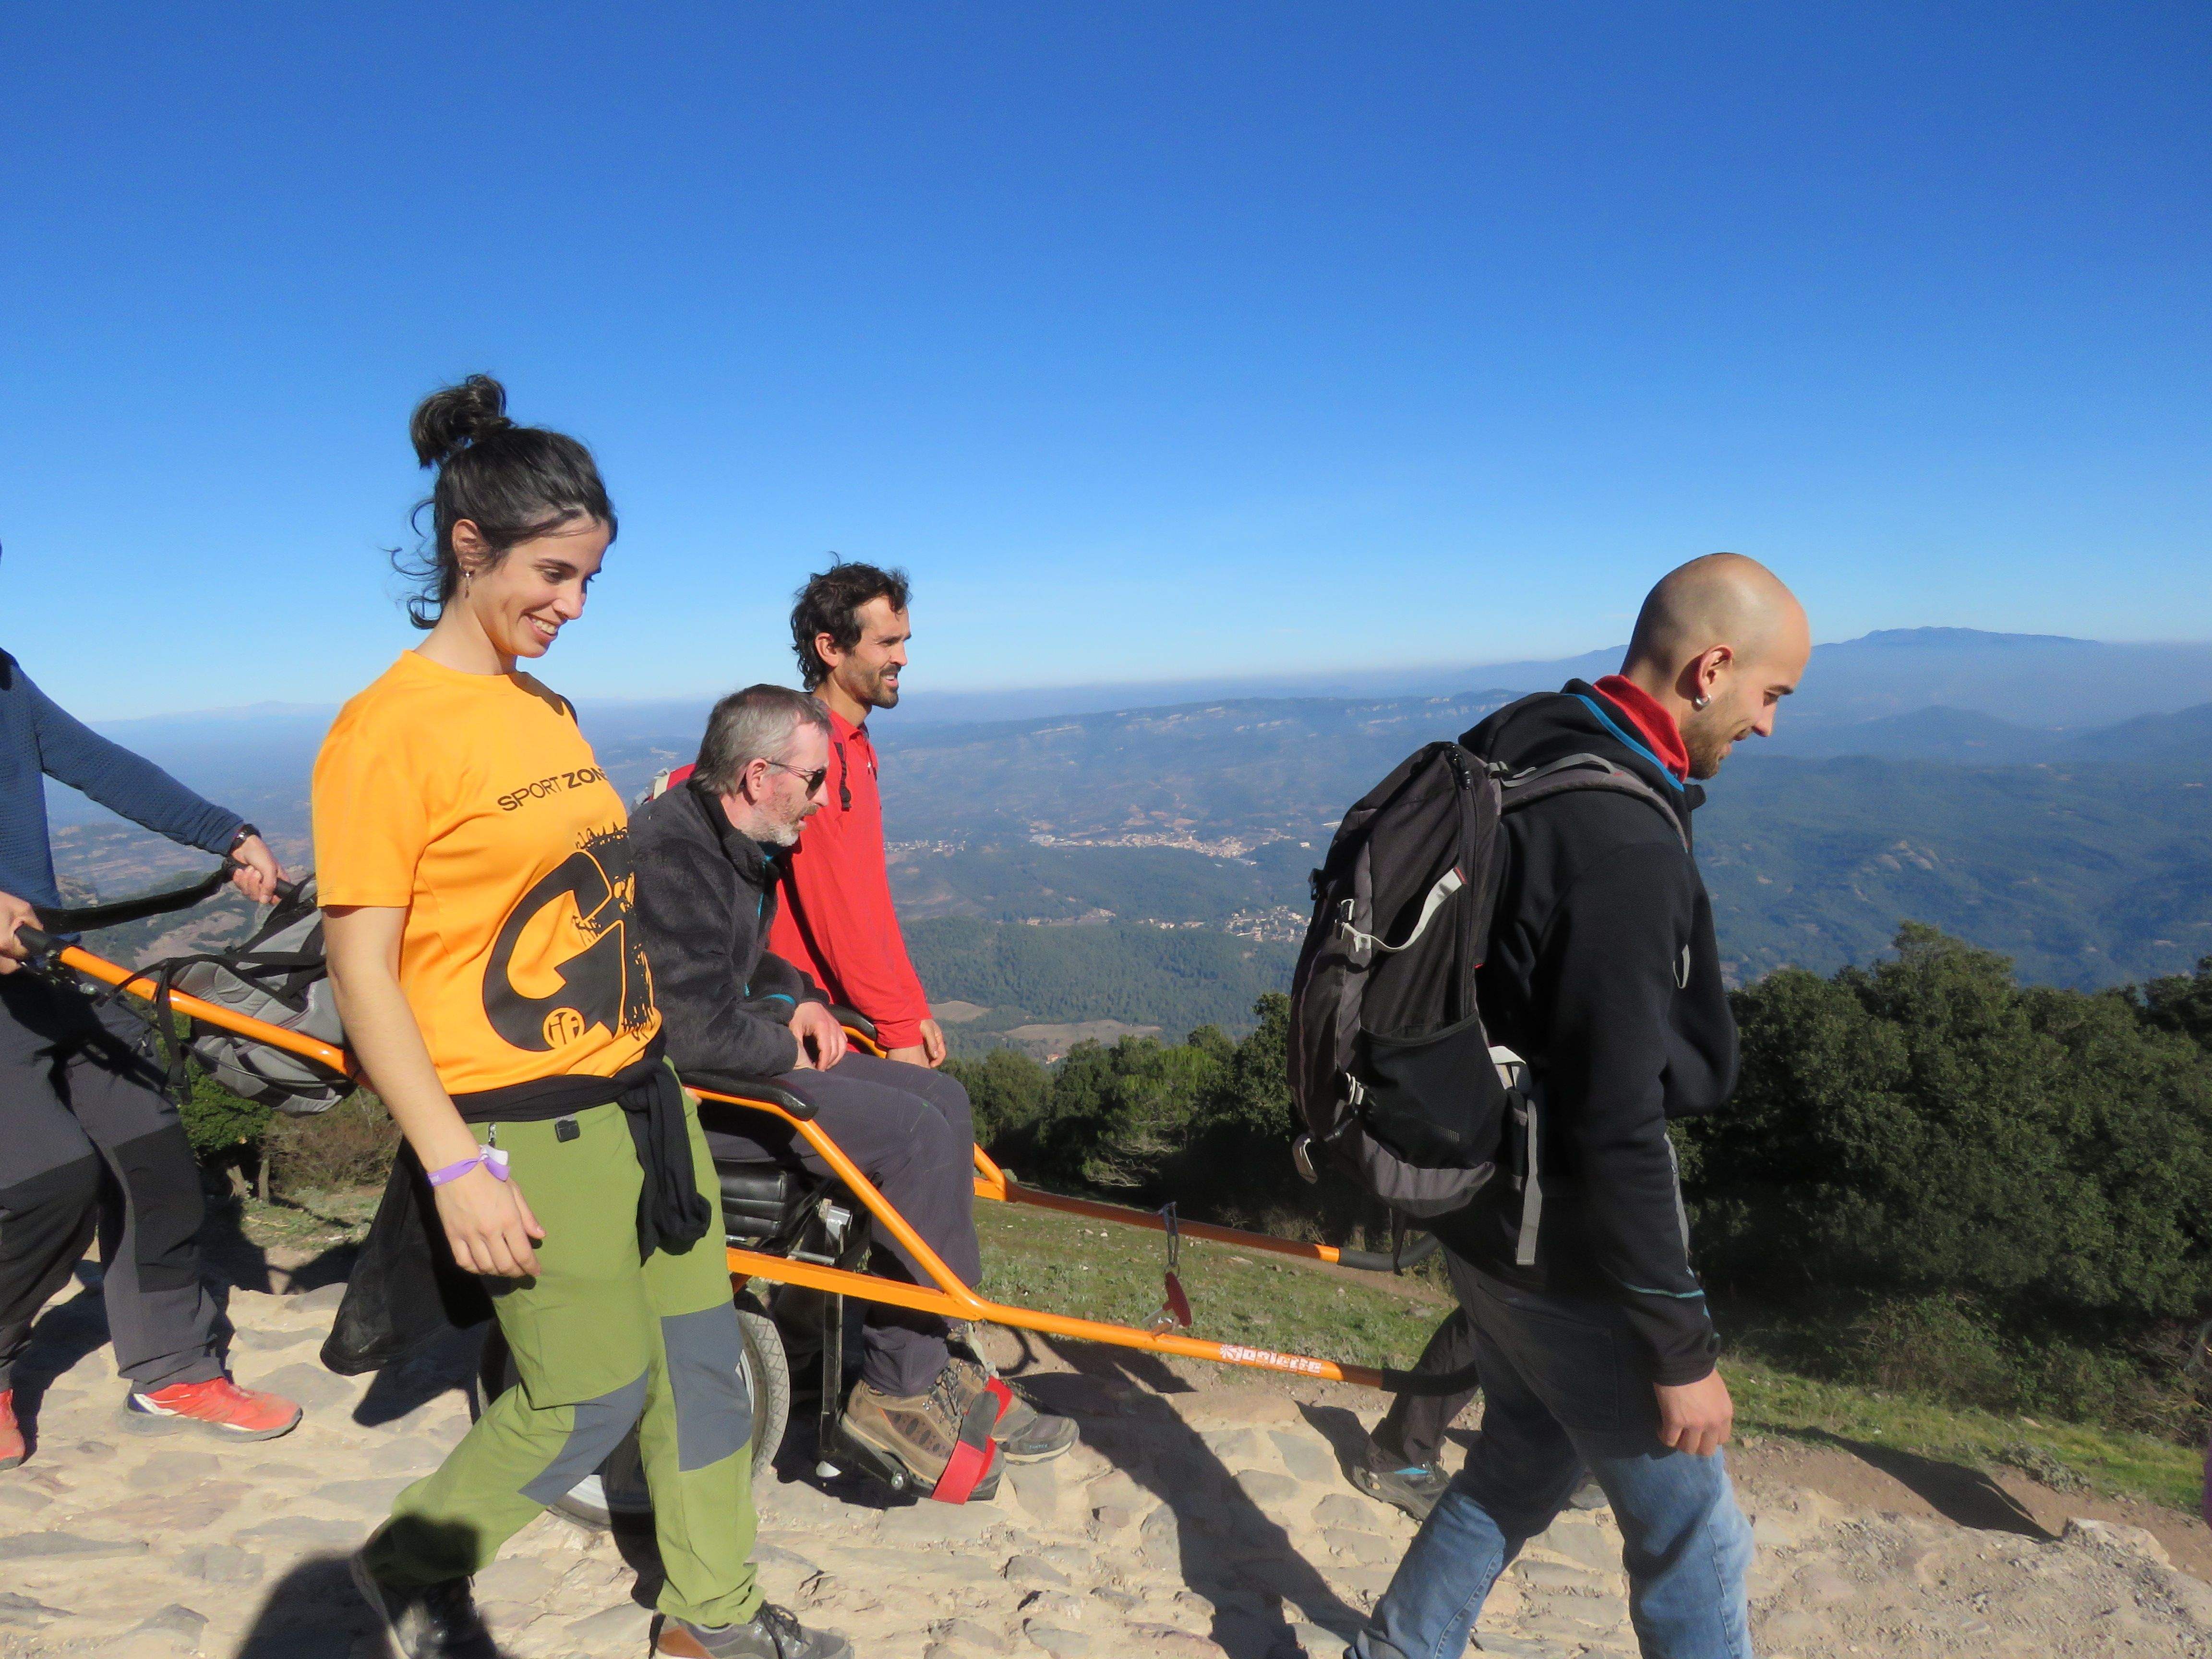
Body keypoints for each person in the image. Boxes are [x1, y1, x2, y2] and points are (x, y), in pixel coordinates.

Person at [319, 377, 843, 1659]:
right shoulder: (384, 731)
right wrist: (454, 1165)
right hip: (521, 1127)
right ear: (470, 546)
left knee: (704, 1372)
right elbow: (364, 971)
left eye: (590, 578)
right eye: (553, 573)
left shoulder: (543, 709)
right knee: (584, 1394)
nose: (573, 604)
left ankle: (710, 1618)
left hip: (641, 1100)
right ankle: (390, 1579)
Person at [1351, 553, 1812, 1659]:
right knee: (1697, 1539)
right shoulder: (1624, 845)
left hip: (1475, 1201)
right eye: (1770, 694)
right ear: (1711, 668)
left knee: (1521, 1454)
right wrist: (1679, 1348)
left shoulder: (1529, 734)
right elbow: (1616, 1122)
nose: (1768, 724)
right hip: (1558, 1245)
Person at [629, 684, 1077, 1488]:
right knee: (911, 1135)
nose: (821, 800)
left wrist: (797, 996)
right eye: (812, 781)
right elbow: (687, 1029)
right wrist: (783, 1045)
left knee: (943, 1102)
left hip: (741, 1063)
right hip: (696, 1095)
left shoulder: (733, 840)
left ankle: (931, 1343)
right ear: (758, 776)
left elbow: (744, 962)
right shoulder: (674, 856)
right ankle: (897, 1390)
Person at [0, 586, 298, 1473]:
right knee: (50, 1180)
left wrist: (225, 834)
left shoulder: (4, 681)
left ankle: (171, 1369)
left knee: (153, 1153)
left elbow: (101, 765)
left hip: (43, 963)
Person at [765, 561, 945, 1068]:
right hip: (816, 1027)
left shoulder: (854, 743)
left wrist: (913, 1007)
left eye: (903, 641)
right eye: (886, 643)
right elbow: (837, 914)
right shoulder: (809, 753)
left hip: (846, 1015)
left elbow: (871, 899)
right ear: (830, 648)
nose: (903, 658)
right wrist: (896, 1024)